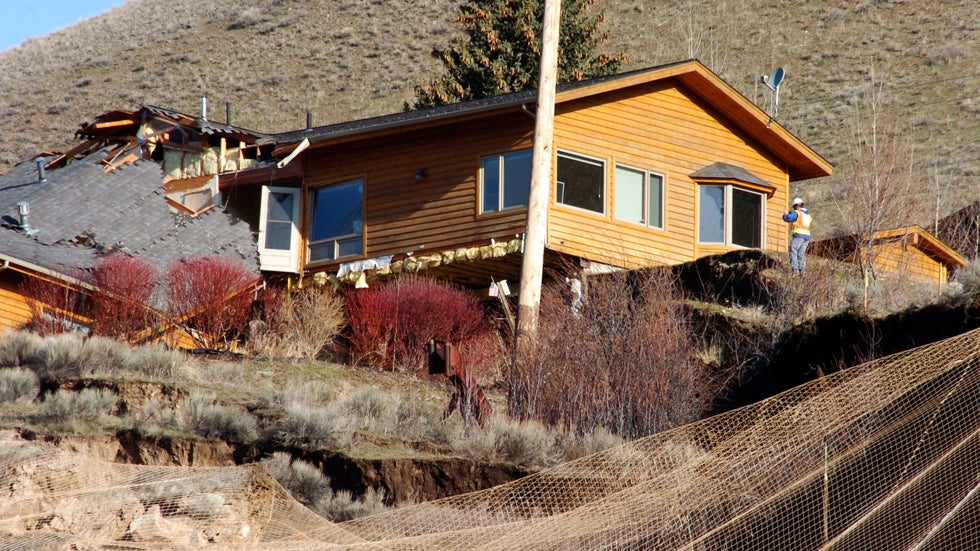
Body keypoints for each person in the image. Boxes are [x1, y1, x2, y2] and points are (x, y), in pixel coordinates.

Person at [783, 197, 811, 274]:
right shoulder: (807, 215)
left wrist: (785, 214)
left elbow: (788, 218)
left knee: (793, 250)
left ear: (797, 205)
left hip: (799, 235)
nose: (794, 208)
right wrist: (791, 213)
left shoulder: (797, 213)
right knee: (801, 254)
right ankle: (803, 271)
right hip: (807, 237)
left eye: (794, 206)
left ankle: (795, 270)